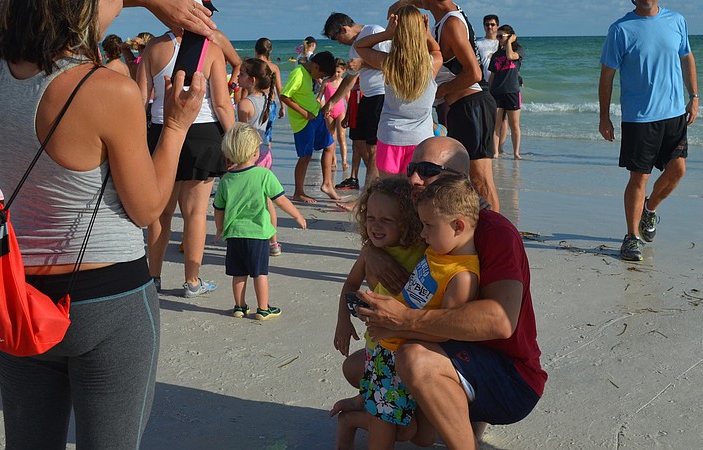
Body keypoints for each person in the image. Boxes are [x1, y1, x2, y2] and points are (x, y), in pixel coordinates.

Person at [0, 0, 213, 448]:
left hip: (19, 292)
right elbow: (146, 209)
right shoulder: (105, 89)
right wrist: (176, 126)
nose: (121, 4)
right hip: (107, 300)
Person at [341, 136, 546, 449]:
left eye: (427, 170)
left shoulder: (494, 232)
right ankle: (458, 417)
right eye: (411, 169)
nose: (414, 178)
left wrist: (404, 320)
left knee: (412, 359)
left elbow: (500, 320)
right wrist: (372, 253)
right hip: (459, 355)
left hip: (510, 378)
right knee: (360, 366)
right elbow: (387, 232)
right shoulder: (427, 223)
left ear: (460, 179)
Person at [333, 176, 480, 449]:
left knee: (416, 433)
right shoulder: (435, 251)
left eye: (428, 226)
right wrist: (345, 320)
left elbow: (445, 329)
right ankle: (360, 413)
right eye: (370, 218)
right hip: (385, 348)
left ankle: (354, 416)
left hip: (404, 349)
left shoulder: (444, 260)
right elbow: (353, 283)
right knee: (385, 423)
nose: (424, 233)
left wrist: (396, 326)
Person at [139, 0, 235, 297]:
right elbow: (221, 104)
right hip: (202, 132)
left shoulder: (154, 47)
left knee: (160, 212)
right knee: (195, 213)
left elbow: (140, 99)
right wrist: (236, 141)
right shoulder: (212, 50)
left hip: (160, 130)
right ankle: (192, 281)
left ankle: (153, 277)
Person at [599, 0, 699, 262]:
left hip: (674, 114)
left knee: (678, 170)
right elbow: (607, 76)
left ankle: (650, 209)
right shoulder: (620, 29)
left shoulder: (676, 21)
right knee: (638, 178)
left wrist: (694, 97)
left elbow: (687, 58)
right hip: (639, 117)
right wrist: (604, 116)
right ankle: (631, 238)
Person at [388, 0, 500, 213]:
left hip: (472, 104)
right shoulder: (446, 13)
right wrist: (405, 2)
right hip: (462, 108)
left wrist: (438, 92)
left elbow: (474, 73)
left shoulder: (451, 24)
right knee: (465, 179)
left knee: (481, 180)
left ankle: (497, 232)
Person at [213, 123, 306, 320]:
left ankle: (239, 306)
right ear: (255, 152)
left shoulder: (226, 179)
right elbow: (280, 200)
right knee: (260, 273)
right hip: (258, 234)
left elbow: (218, 209)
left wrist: (219, 229)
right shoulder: (264, 175)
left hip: (235, 234)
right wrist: (297, 215)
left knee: (239, 273)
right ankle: (263, 309)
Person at [352, 5, 443, 179]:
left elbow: (360, 46)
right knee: (416, 192)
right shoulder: (432, 63)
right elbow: (436, 50)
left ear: (396, 31)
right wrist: (428, 35)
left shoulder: (389, 63)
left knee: (390, 191)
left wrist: (386, 34)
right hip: (421, 140)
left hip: (390, 137)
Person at [323, 12, 389, 188]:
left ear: (344, 29)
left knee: (373, 146)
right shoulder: (354, 48)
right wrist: (331, 103)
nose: (337, 42)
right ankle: (377, 183)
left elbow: (391, 63)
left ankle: (371, 190)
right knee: (359, 142)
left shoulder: (374, 32)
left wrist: (363, 64)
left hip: (382, 94)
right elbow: (349, 80)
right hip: (366, 96)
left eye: (336, 37)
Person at [279, 50, 342, 203]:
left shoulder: (308, 74)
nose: (320, 78)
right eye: (321, 75)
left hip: (316, 115)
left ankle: (327, 184)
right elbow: (284, 96)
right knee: (305, 156)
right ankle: (298, 192)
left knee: (330, 146)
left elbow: (305, 96)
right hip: (303, 121)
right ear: (315, 66)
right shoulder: (298, 73)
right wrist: (304, 113)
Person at [238, 57, 284, 256]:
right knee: (266, 199)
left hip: (250, 155)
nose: (237, 76)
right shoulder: (267, 98)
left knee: (249, 199)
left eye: (241, 74)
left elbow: (243, 134)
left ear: (252, 79)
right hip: (265, 152)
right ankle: (274, 242)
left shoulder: (244, 104)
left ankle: (251, 237)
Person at [488, 24, 525, 159]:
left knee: (514, 125)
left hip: (512, 91)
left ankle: (516, 153)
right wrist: (488, 90)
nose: (498, 39)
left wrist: (509, 42)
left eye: (501, 36)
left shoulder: (519, 50)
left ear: (510, 36)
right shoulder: (496, 55)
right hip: (496, 92)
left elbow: (510, 56)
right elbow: (492, 75)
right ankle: (495, 152)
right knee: (496, 125)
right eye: (497, 36)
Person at [317, 57, 350, 170]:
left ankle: (344, 161)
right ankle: (333, 159)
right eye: (335, 71)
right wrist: (321, 109)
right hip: (329, 113)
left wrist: (349, 114)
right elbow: (319, 98)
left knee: (342, 136)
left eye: (339, 72)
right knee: (331, 137)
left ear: (344, 71)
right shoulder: (326, 82)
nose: (336, 74)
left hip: (341, 112)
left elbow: (348, 100)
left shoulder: (344, 83)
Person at [254, 37, 285, 119]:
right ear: (270, 51)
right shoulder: (274, 67)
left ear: (255, 50)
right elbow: (279, 89)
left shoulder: (251, 65)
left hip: (254, 102)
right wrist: (283, 107)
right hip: (270, 103)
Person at [476, 14, 499, 84]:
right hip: (484, 82)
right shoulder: (477, 43)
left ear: (497, 26)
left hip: (501, 81)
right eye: (487, 24)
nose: (489, 27)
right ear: (484, 26)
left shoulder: (502, 43)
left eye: (492, 24)